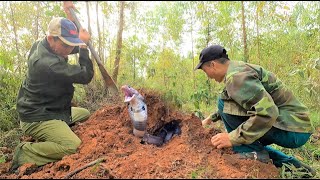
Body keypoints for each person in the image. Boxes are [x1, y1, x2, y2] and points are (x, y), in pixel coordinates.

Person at [195, 44, 316, 177]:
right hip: (296, 126)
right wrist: (209, 119)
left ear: (213, 65)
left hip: (294, 129)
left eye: (205, 71)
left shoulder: (236, 78)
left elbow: (268, 113)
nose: (208, 76)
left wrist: (232, 137)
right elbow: (232, 102)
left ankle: (254, 154)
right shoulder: (236, 70)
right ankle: (298, 169)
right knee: (224, 105)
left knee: (243, 142)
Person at [9, 1, 94, 172]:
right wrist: (83, 46)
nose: (70, 49)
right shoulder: (47, 64)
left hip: (52, 109)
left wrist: (70, 20)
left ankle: (56, 131)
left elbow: (67, 45)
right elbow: (85, 76)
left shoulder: (45, 45)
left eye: (71, 44)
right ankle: (25, 152)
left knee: (85, 113)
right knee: (73, 146)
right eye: (65, 45)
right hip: (37, 116)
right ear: (51, 39)